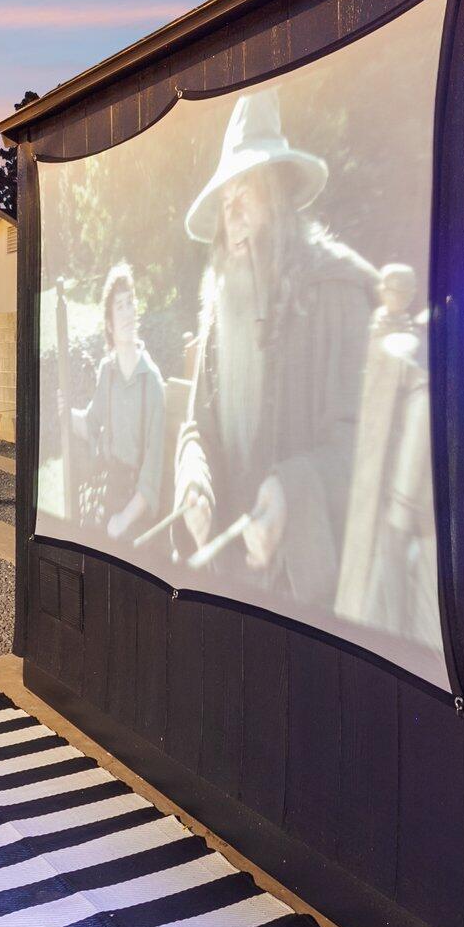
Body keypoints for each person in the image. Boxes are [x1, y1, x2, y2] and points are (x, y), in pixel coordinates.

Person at [173, 87, 377, 606]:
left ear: (281, 199)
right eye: (226, 202)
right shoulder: (222, 304)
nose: (233, 219)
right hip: (226, 582)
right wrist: (193, 479)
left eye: (247, 195)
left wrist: (292, 489)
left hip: (312, 600)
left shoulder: (339, 293)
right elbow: (197, 425)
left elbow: (363, 449)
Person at [71, 263, 166, 542]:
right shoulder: (107, 372)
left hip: (136, 509)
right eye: (119, 307)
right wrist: (62, 412)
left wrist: (123, 520)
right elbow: (91, 423)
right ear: (110, 324)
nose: (127, 312)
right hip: (108, 489)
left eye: (129, 304)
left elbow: (152, 476)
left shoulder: (152, 383)